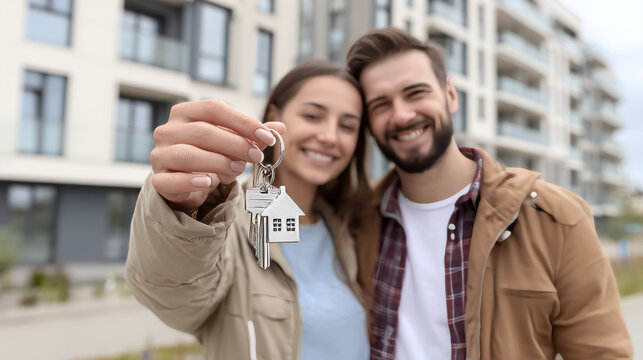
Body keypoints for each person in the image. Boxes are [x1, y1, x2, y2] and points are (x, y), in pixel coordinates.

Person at [345, 27, 633, 360]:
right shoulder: (354, 221)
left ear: (450, 95)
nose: (401, 115)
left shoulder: (556, 217)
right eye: (381, 104)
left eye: (416, 93)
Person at [124, 61, 372, 360]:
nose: (330, 136)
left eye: (347, 126)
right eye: (313, 115)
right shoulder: (219, 222)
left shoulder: (354, 232)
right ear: (273, 117)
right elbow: (174, 291)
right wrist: (182, 209)